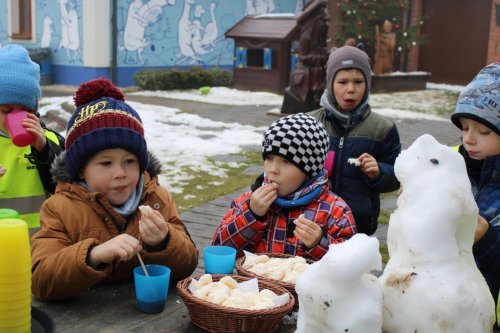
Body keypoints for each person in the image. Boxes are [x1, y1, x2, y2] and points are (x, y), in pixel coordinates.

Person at [31, 78, 198, 301]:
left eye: (129, 161)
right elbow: (42, 281)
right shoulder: (59, 208)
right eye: (106, 163)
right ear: (81, 170)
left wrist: (164, 241)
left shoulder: (157, 198)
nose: (120, 173)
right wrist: (93, 254)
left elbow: (188, 265)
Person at [212, 113, 356, 261]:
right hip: (253, 283)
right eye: (269, 158)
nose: (273, 169)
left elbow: (350, 266)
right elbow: (219, 250)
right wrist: (252, 215)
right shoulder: (249, 201)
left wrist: (320, 243)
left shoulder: (335, 211)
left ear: (309, 169)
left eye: (286, 161)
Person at [309, 45, 401, 235]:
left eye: (358, 81)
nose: (350, 89)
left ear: (367, 84)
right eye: (342, 82)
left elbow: (397, 175)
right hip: (313, 219)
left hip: (358, 224)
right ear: (330, 83)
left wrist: (379, 172)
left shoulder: (382, 129)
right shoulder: (310, 123)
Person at [451, 60, 500, 327]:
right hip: (449, 301)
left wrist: (486, 239)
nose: (469, 139)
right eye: (465, 128)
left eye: (482, 130)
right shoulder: (454, 164)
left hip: (490, 311)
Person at [0, 44, 65, 228]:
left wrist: (44, 151)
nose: (16, 116)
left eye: (26, 110)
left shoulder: (50, 141)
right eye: (6, 110)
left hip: (44, 244)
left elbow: (70, 187)